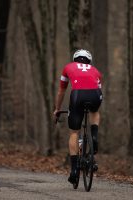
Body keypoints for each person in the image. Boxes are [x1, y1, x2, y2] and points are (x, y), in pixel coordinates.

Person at [53, 49, 103, 184]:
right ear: (89, 60)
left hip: (78, 95)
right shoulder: (96, 70)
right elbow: (98, 88)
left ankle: (74, 170)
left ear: (75, 59)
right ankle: (94, 135)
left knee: (74, 132)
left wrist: (57, 109)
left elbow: (61, 91)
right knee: (94, 111)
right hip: (95, 95)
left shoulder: (68, 67)